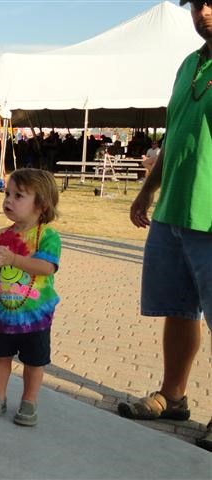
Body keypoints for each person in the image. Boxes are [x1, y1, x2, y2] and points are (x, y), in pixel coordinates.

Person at [118, 0, 212, 452]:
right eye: (197, 3)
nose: (204, 11)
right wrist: (148, 188)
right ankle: (173, 396)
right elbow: (175, 133)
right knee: (178, 309)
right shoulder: (190, 64)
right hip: (174, 209)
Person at [0, 168, 61, 427]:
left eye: (18, 196)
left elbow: (46, 267)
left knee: (34, 362)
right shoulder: (0, 236)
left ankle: (29, 400)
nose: (8, 200)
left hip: (35, 316)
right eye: (7, 194)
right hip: (3, 314)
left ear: (41, 204)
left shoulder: (47, 236)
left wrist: (13, 259)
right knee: (0, 357)